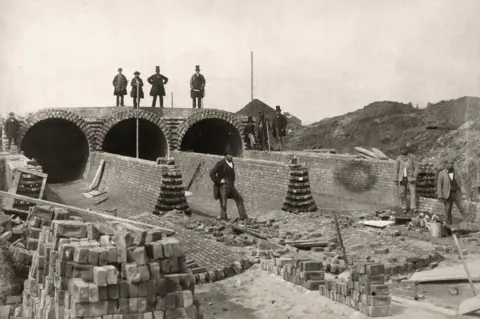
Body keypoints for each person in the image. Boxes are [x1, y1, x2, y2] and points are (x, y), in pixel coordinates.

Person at [209, 146, 248, 221]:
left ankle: (243, 216)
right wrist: (219, 181)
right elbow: (212, 173)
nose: (231, 156)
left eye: (232, 154)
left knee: (239, 199)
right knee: (223, 204)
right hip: (223, 187)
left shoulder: (231, 162)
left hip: (231, 186)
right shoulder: (220, 163)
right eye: (229, 155)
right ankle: (224, 218)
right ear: (226, 155)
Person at [437, 158, 468, 225]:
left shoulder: (456, 172)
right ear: (446, 164)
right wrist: (440, 195)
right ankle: (449, 224)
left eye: (452, 164)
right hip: (447, 194)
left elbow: (461, 182)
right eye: (449, 164)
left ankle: (467, 222)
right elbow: (439, 185)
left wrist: (463, 192)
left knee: (462, 207)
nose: (451, 165)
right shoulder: (441, 173)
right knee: (447, 210)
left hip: (457, 193)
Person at [394, 146, 418, 214]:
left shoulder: (412, 157)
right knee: (402, 193)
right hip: (402, 178)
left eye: (404, 149)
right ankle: (404, 207)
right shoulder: (398, 158)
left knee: (413, 192)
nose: (403, 151)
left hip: (411, 178)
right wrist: (396, 179)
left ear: (407, 149)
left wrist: (415, 176)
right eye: (401, 150)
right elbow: (396, 170)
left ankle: (413, 207)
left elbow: (416, 167)